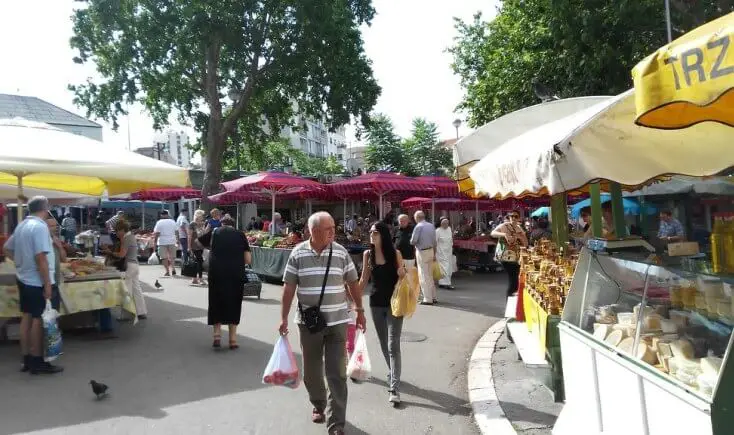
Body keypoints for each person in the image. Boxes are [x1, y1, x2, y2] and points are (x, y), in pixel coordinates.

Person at [279, 211, 365, 435]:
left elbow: (353, 282)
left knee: (336, 372)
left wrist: (360, 309)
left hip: (338, 321)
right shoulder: (297, 254)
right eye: (329, 229)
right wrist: (283, 318)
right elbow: (289, 288)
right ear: (314, 231)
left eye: (334, 228)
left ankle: (337, 423)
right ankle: (318, 403)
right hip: (309, 324)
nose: (333, 232)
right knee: (312, 372)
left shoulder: (340, 252)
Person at [3, 196, 63, 374]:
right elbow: (41, 257)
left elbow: (6, 248)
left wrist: (20, 263)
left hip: (24, 279)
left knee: (27, 317)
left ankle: (26, 359)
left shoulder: (22, 225)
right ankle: (37, 360)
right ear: (45, 208)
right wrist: (47, 284)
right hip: (37, 281)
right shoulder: (39, 227)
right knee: (38, 319)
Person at [358, 221, 406, 405]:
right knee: (384, 344)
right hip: (375, 303)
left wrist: (402, 273)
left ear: (383, 235)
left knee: (393, 345)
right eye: (370, 232)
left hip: (395, 303)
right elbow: (363, 280)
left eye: (375, 232)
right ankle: (393, 372)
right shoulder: (367, 254)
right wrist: (352, 300)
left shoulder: (395, 254)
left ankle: (394, 387)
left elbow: (403, 278)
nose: (371, 235)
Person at [198, 216, 251, 349]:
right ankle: (233, 340)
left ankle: (217, 335)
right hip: (235, 273)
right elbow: (248, 259)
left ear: (221, 224)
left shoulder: (215, 232)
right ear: (233, 225)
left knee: (216, 301)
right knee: (234, 303)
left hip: (216, 273)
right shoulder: (240, 235)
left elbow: (198, 242)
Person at [106, 219, 148, 320]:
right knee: (136, 289)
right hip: (135, 265)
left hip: (128, 266)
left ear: (122, 230)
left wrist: (110, 252)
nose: (116, 233)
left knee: (126, 290)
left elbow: (121, 255)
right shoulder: (131, 236)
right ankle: (141, 311)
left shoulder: (126, 238)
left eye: (117, 231)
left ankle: (126, 314)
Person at [491, 211, 528, 297]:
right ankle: (511, 297)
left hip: (516, 256)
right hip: (505, 256)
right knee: (513, 278)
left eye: (516, 216)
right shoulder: (504, 226)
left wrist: (521, 237)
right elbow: (493, 233)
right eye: (511, 216)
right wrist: (504, 234)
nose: (513, 218)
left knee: (517, 277)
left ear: (519, 218)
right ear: (509, 218)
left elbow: (525, 243)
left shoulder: (519, 228)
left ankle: (513, 297)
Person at [410, 210, 437, 305]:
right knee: (429, 275)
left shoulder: (418, 227)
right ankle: (433, 296)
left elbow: (413, 241)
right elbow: (434, 241)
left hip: (422, 252)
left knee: (423, 275)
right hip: (430, 250)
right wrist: (435, 253)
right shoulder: (431, 225)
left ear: (416, 218)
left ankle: (428, 298)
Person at [153, 210, 179, 277]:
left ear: (161, 215)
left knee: (164, 257)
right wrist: (178, 240)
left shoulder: (159, 222)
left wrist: (155, 242)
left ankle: (167, 271)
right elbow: (176, 232)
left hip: (162, 241)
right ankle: (173, 268)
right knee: (172, 257)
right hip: (172, 241)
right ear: (167, 215)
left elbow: (157, 233)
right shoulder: (173, 221)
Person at [188, 209, 207, 286]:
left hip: (201, 246)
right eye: (202, 215)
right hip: (194, 245)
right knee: (199, 261)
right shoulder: (192, 224)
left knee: (197, 261)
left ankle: (194, 278)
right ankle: (200, 279)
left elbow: (203, 234)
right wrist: (189, 247)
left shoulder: (203, 223)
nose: (203, 217)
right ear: (198, 215)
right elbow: (189, 236)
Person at [435, 218, 455, 290]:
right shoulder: (437, 231)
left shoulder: (449, 229)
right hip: (441, 253)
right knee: (444, 268)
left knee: (449, 268)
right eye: (444, 223)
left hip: (449, 252)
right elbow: (435, 242)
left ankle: (442, 283)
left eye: (447, 223)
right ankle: (447, 284)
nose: (446, 225)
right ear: (441, 224)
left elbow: (451, 239)